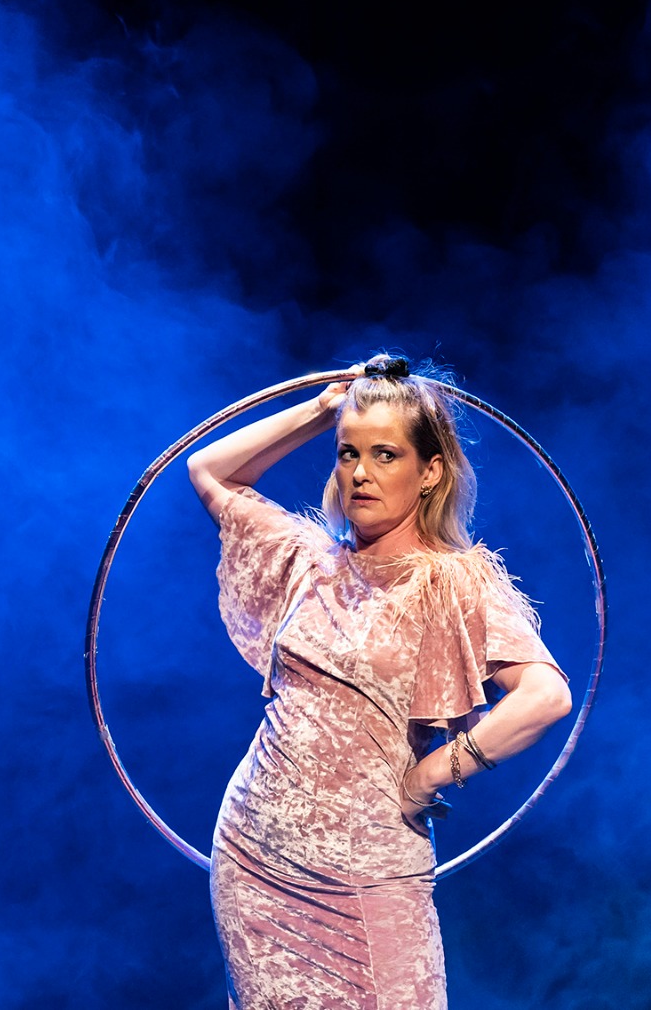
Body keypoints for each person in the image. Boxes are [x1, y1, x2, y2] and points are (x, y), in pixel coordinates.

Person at [186, 355, 573, 1010]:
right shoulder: (306, 560)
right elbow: (209, 470)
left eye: (385, 455)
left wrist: (434, 774)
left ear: (430, 472)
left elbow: (547, 696)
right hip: (256, 857)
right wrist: (322, 406)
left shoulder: (453, 582)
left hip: (370, 873)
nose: (361, 472)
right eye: (348, 453)